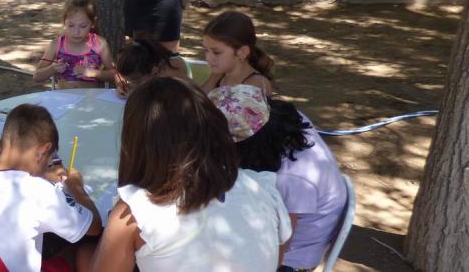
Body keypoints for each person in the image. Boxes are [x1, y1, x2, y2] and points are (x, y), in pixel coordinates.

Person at [91, 77, 292, 272]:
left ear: (137, 143)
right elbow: (276, 257)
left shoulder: (136, 210)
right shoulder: (263, 187)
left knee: (83, 254)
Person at [0, 104, 102, 272]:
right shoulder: (43, 193)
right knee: (82, 250)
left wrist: (38, 172)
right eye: (50, 159)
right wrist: (76, 186)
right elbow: (94, 228)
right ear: (43, 151)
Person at [209, 86, 347, 271]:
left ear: (245, 144)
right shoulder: (279, 121)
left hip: (292, 258)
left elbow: (282, 243)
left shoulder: (291, 177)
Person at [34, 0, 115, 89]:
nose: (76, 32)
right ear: (64, 22)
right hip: (64, 99)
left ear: (93, 23)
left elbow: (115, 75)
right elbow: (36, 76)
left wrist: (94, 73)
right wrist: (52, 68)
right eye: (71, 26)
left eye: (83, 26)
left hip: (91, 100)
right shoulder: (56, 45)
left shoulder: (99, 44)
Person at [201, 10, 274, 95]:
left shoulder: (255, 86)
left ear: (242, 52)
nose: (208, 58)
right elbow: (198, 101)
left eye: (217, 52)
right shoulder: (219, 74)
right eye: (206, 50)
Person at [114, 36, 191, 97]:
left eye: (135, 80)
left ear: (154, 71)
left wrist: (138, 94)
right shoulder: (147, 67)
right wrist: (127, 87)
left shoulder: (169, 73)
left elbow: (195, 95)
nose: (131, 82)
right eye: (128, 80)